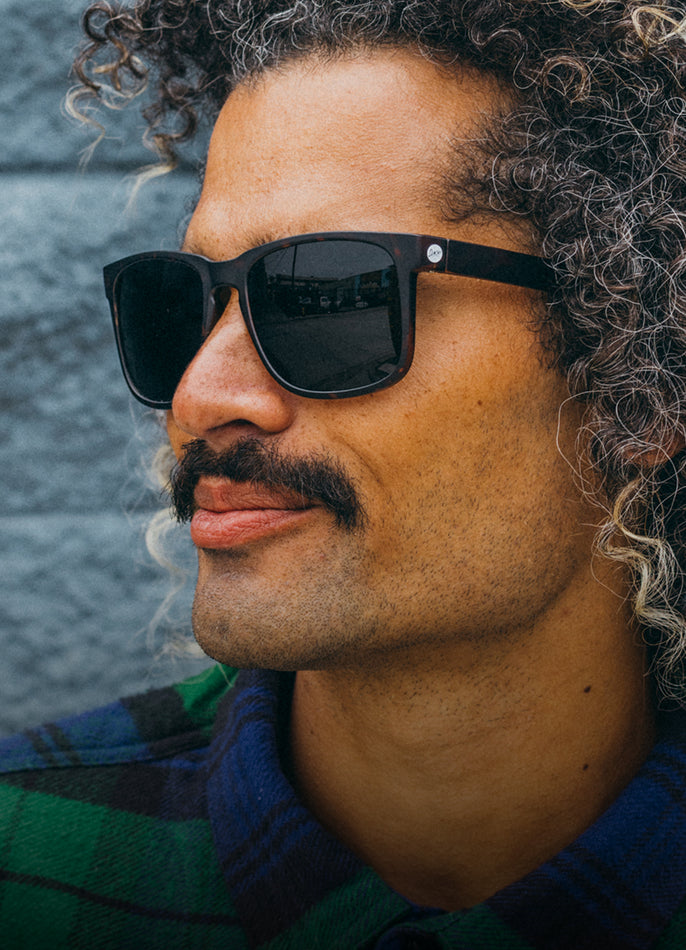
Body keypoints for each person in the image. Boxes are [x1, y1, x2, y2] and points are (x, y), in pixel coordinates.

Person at [2, 1, 686, 946]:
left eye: (328, 300)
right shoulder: (27, 864)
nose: (199, 400)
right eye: (185, 303)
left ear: (641, 380)